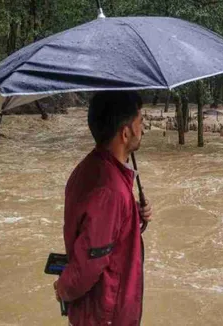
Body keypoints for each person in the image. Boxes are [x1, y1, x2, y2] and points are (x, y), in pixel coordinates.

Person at [53, 91, 152, 325]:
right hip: (105, 315)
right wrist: (63, 289)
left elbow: (103, 229)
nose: (143, 130)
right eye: (140, 123)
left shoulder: (95, 168)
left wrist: (133, 213)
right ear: (125, 133)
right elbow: (89, 264)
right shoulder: (110, 190)